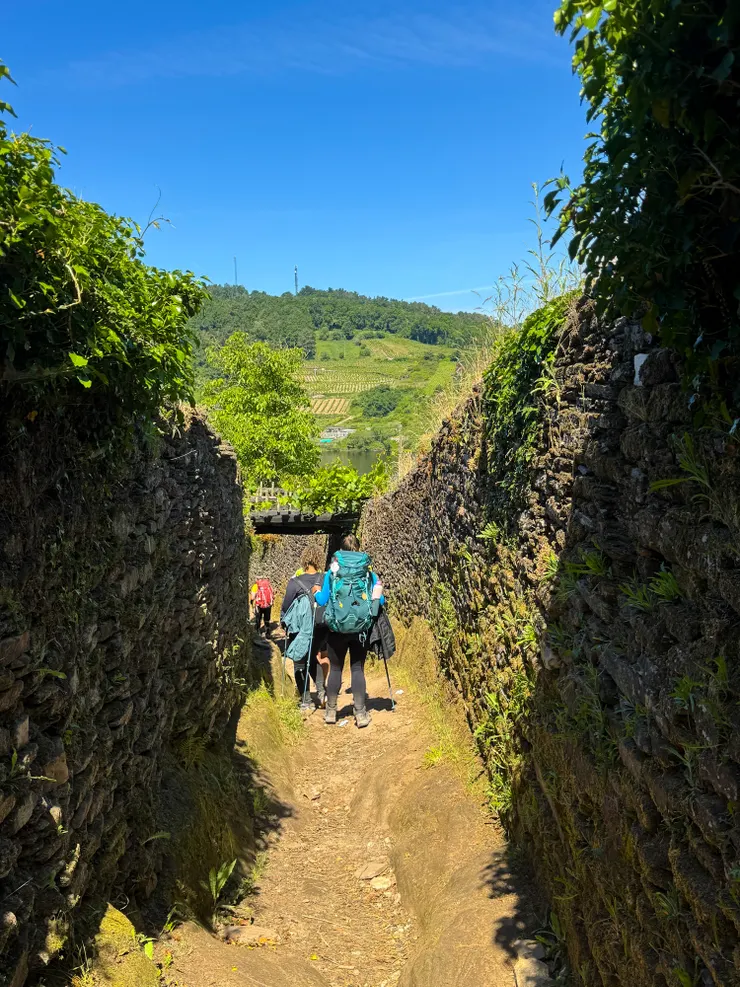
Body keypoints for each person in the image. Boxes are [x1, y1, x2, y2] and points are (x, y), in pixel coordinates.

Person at [313, 534, 384, 729]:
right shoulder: (368, 573)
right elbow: (380, 601)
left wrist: (316, 592)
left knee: (336, 668)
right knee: (357, 668)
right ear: (359, 549)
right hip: (361, 629)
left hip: (336, 629)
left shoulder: (333, 572)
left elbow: (322, 601)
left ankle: (330, 711)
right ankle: (360, 713)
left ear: (341, 550)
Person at [281, 556, 329, 709]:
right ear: (318, 561)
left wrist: (284, 622)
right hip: (321, 627)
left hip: (301, 627)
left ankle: (306, 701)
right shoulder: (324, 578)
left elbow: (286, 605)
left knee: (299, 662)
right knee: (313, 658)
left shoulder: (295, 582)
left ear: (305, 562)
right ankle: (322, 693)